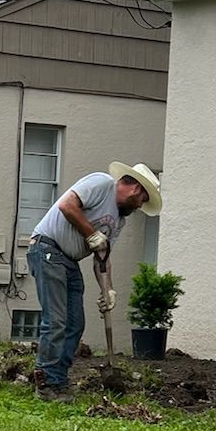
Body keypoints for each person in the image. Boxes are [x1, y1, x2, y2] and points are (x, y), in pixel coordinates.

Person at [26, 162, 163, 394]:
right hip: (47, 249)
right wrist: (91, 234)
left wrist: (107, 290)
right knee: (57, 321)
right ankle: (46, 380)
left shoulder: (119, 221)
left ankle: (57, 379)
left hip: (69, 261)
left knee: (75, 324)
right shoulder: (101, 184)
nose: (140, 207)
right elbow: (67, 205)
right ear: (137, 189)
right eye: (142, 201)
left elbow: (102, 255)